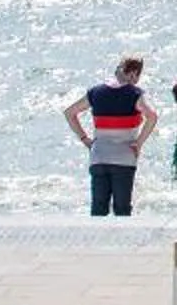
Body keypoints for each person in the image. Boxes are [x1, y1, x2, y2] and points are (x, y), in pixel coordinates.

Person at [65, 56, 160, 216]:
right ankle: (123, 240)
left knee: (98, 209)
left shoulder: (95, 92)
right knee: (122, 209)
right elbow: (152, 117)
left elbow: (69, 113)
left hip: (99, 156)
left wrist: (85, 139)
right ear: (133, 74)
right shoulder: (135, 94)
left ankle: (97, 240)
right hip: (124, 158)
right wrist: (138, 143)